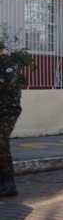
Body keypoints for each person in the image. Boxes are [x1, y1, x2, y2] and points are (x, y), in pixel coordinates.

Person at [0, 40, 21, 198]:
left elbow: (9, 84)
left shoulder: (9, 65)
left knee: (1, 143)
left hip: (8, 111)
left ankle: (9, 184)